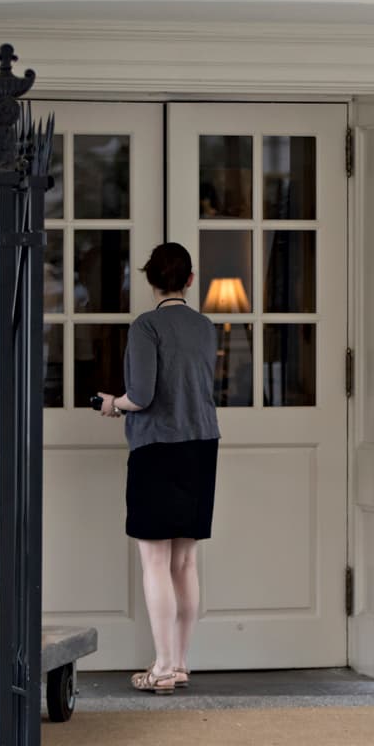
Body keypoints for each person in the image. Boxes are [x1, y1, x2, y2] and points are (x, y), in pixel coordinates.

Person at [95, 242, 220, 695]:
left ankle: (162, 667)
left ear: (150, 281)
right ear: (189, 280)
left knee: (155, 561)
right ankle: (181, 662)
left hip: (157, 448)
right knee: (185, 560)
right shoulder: (206, 327)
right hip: (202, 444)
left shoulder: (146, 326)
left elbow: (141, 395)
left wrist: (113, 405)